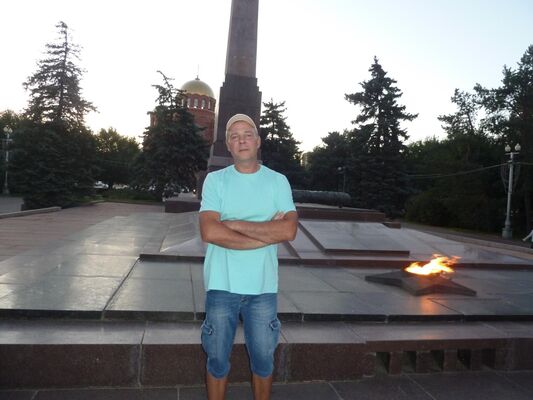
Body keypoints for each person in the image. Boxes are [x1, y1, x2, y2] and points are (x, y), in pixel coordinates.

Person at [198, 113, 298, 400]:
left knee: (264, 362)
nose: (241, 140)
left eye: (247, 134)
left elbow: (289, 230)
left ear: (258, 141)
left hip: (263, 289)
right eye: (234, 136)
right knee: (217, 361)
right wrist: (267, 233)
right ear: (228, 145)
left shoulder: (278, 182)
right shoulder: (215, 181)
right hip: (221, 286)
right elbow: (210, 231)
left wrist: (233, 224)